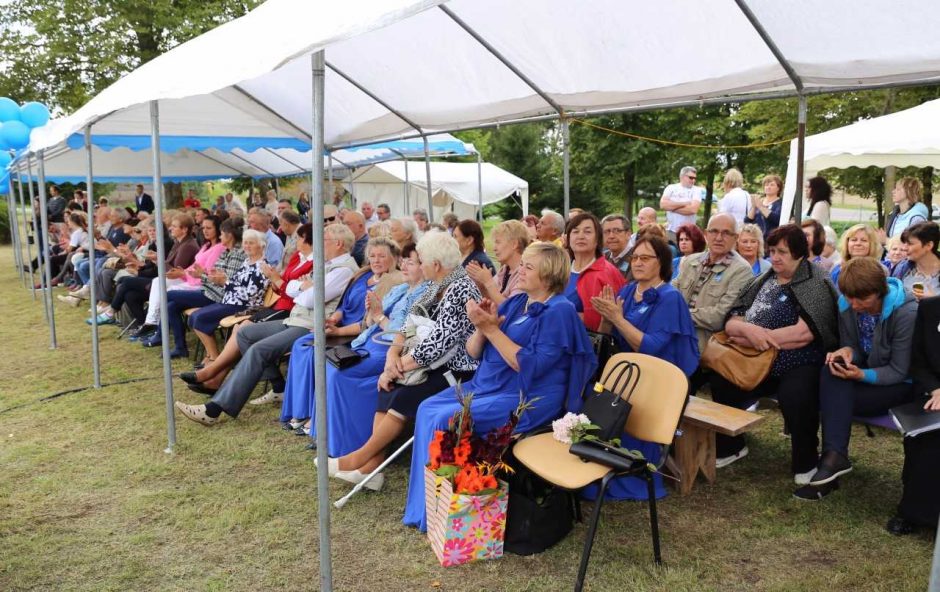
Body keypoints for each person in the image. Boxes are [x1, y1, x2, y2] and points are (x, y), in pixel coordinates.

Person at [395, 242, 597, 529]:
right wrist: (481, 326)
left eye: (528, 266)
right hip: (489, 384)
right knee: (427, 408)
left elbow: (528, 365)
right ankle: (427, 506)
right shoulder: (517, 302)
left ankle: (442, 514)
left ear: (549, 274)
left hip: (528, 397)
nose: (520, 271)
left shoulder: (559, 311)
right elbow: (475, 351)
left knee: (446, 418)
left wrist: (491, 328)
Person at [314, 231, 481, 489]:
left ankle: (359, 460)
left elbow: (438, 344)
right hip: (427, 363)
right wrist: (392, 356)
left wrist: (396, 367)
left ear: (435, 265)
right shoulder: (437, 285)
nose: (419, 264)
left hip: (456, 370)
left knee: (401, 395)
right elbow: (407, 325)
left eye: (422, 260)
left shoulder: (461, 288)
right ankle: (371, 470)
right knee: (386, 387)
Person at [175, 223, 360, 425]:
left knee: (258, 350)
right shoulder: (329, 265)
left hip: (311, 326)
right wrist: (302, 286)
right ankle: (279, 385)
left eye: (323, 240)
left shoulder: (342, 270)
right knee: (245, 334)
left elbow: (308, 299)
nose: (319, 245)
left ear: (339, 244)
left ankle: (213, 409)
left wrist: (301, 287)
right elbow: (297, 292)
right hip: (296, 318)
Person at [709, 224, 839, 483]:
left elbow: (804, 334)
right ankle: (731, 446)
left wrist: (755, 336)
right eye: (771, 251)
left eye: (782, 252)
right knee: (722, 378)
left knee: (796, 395)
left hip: (799, 361)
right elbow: (732, 321)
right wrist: (746, 330)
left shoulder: (816, 281)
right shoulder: (764, 278)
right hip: (754, 357)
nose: (775, 257)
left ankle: (806, 462)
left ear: (800, 253)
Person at [286, 242, 428, 453]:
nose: (404, 266)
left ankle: (347, 443)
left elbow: (399, 335)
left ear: (425, 266)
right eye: (404, 261)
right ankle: (326, 435)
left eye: (411, 262)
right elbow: (369, 323)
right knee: (327, 364)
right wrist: (372, 314)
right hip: (367, 343)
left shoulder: (423, 294)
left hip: (388, 351)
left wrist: (379, 315)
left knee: (338, 374)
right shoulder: (400, 289)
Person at [590, 233, 699, 501]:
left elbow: (649, 347)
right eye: (635, 257)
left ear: (661, 262)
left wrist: (617, 317)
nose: (637, 263)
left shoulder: (669, 297)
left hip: (657, 383)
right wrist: (607, 318)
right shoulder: (627, 290)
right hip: (628, 375)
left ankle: (633, 471)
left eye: (645, 258)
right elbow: (608, 336)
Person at [798, 258, 917, 499]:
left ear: (880, 292)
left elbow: (899, 370)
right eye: (849, 298)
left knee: (835, 396)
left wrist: (860, 374)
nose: (854, 305)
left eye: (862, 299)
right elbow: (854, 345)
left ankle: (830, 462)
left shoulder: (906, 311)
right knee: (830, 370)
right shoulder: (847, 303)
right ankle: (833, 458)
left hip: (900, 386)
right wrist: (846, 353)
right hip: (866, 377)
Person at [277, 237, 404, 422]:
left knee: (315, 351)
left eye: (382, 256)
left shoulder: (392, 282)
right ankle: (300, 410)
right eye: (372, 256)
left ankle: (315, 414)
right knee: (301, 345)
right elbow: (342, 305)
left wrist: (337, 332)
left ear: (394, 259)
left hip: (355, 333)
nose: (376, 260)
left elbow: (367, 324)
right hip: (340, 326)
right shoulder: (362, 275)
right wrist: (333, 319)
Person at [887, 295, 940, 535]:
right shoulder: (930, 308)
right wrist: (936, 389)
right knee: (925, 436)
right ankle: (914, 513)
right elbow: (917, 362)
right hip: (933, 390)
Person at [163, 219, 249, 359]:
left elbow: (225, 283)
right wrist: (203, 275)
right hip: (209, 289)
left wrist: (202, 276)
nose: (220, 237)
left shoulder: (236, 254)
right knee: (171, 306)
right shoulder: (226, 251)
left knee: (167, 295)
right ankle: (180, 347)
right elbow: (215, 276)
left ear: (229, 235)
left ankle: (211, 356)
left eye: (221, 233)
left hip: (216, 295)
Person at [673, 213, 753, 358]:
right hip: (672, 337)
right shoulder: (691, 261)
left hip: (703, 348)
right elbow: (670, 294)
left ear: (736, 238)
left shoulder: (742, 270)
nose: (718, 238)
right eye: (714, 231)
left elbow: (719, 317)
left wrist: (677, 314)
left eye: (726, 233)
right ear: (705, 234)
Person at [563, 213, 626, 331]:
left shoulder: (605, 272)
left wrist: (562, 314)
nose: (580, 236)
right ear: (568, 238)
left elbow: (605, 323)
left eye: (587, 232)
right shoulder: (560, 270)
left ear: (598, 239)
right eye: (575, 232)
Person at [466, 219, 530, 305]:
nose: (494, 248)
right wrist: (481, 285)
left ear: (514, 244)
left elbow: (510, 309)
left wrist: (488, 282)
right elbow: (492, 301)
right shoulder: (504, 270)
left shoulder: (525, 273)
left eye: (498, 242)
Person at [892, 221, 940, 300]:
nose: (904, 248)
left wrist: (934, 301)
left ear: (929, 245)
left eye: (910, 244)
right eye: (904, 243)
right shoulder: (902, 269)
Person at [829, 224, 882, 288]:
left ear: (872, 245)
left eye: (864, 240)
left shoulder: (879, 270)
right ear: (847, 243)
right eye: (854, 240)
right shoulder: (837, 270)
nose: (858, 243)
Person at [660, 166, 701, 233]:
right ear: (682, 177)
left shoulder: (697, 190)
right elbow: (663, 205)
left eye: (695, 178)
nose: (693, 180)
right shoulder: (670, 188)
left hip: (688, 232)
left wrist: (671, 208)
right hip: (671, 231)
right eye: (691, 178)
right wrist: (685, 203)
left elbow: (693, 209)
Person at [601, 214, 632, 278]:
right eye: (607, 231)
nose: (611, 236)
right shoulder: (602, 258)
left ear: (628, 234)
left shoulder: (637, 258)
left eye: (617, 231)